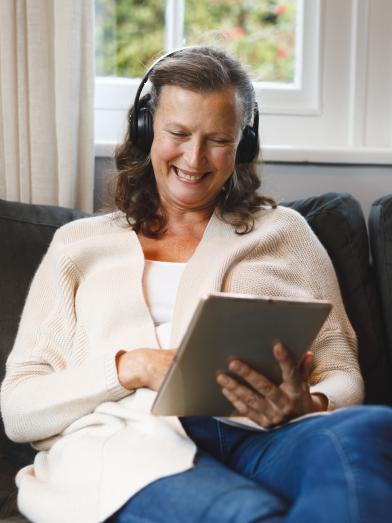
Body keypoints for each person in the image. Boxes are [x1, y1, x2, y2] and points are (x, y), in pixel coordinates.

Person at [1, 46, 392, 523]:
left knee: (370, 431)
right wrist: (132, 367)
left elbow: (343, 371)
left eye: (218, 140)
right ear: (146, 131)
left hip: (270, 436)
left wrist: (310, 402)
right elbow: (20, 408)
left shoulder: (285, 232)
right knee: (247, 513)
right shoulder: (78, 247)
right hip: (131, 442)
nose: (194, 158)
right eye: (178, 133)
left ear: (242, 145)